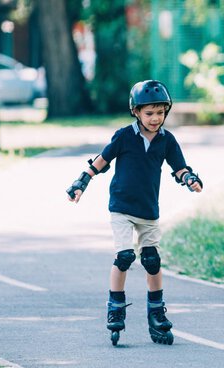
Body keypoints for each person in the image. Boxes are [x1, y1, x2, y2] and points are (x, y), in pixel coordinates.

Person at [66, 80, 203, 346]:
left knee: (151, 260)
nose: (155, 118)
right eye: (149, 113)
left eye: (160, 112)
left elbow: (179, 167)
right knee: (125, 255)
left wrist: (190, 179)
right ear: (136, 112)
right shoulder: (124, 136)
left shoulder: (167, 140)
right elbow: (102, 160)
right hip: (122, 208)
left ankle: (156, 313)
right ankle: (115, 306)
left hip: (148, 210)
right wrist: (82, 181)